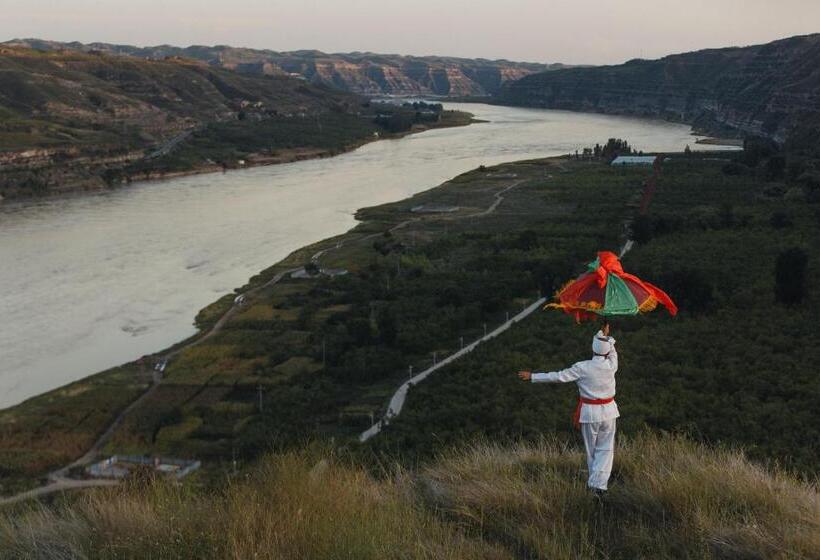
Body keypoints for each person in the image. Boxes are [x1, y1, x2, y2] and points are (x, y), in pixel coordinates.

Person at [518, 322, 619, 493]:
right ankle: (599, 485)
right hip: (609, 412)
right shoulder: (611, 365)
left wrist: (533, 376)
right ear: (607, 350)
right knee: (606, 450)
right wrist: (607, 336)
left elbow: (558, 377)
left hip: (590, 413)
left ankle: (595, 486)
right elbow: (612, 351)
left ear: (593, 348)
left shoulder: (582, 367)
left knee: (591, 451)